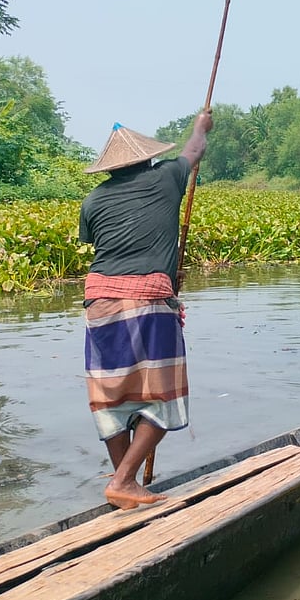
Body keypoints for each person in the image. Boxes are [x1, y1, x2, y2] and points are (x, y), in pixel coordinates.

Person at [79, 110, 212, 510]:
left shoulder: (93, 199)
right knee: (163, 398)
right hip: (150, 302)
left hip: (99, 305)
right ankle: (122, 481)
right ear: (147, 158)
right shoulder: (166, 177)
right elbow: (195, 149)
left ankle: (128, 484)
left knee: (112, 398)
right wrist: (201, 126)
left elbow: (99, 246)